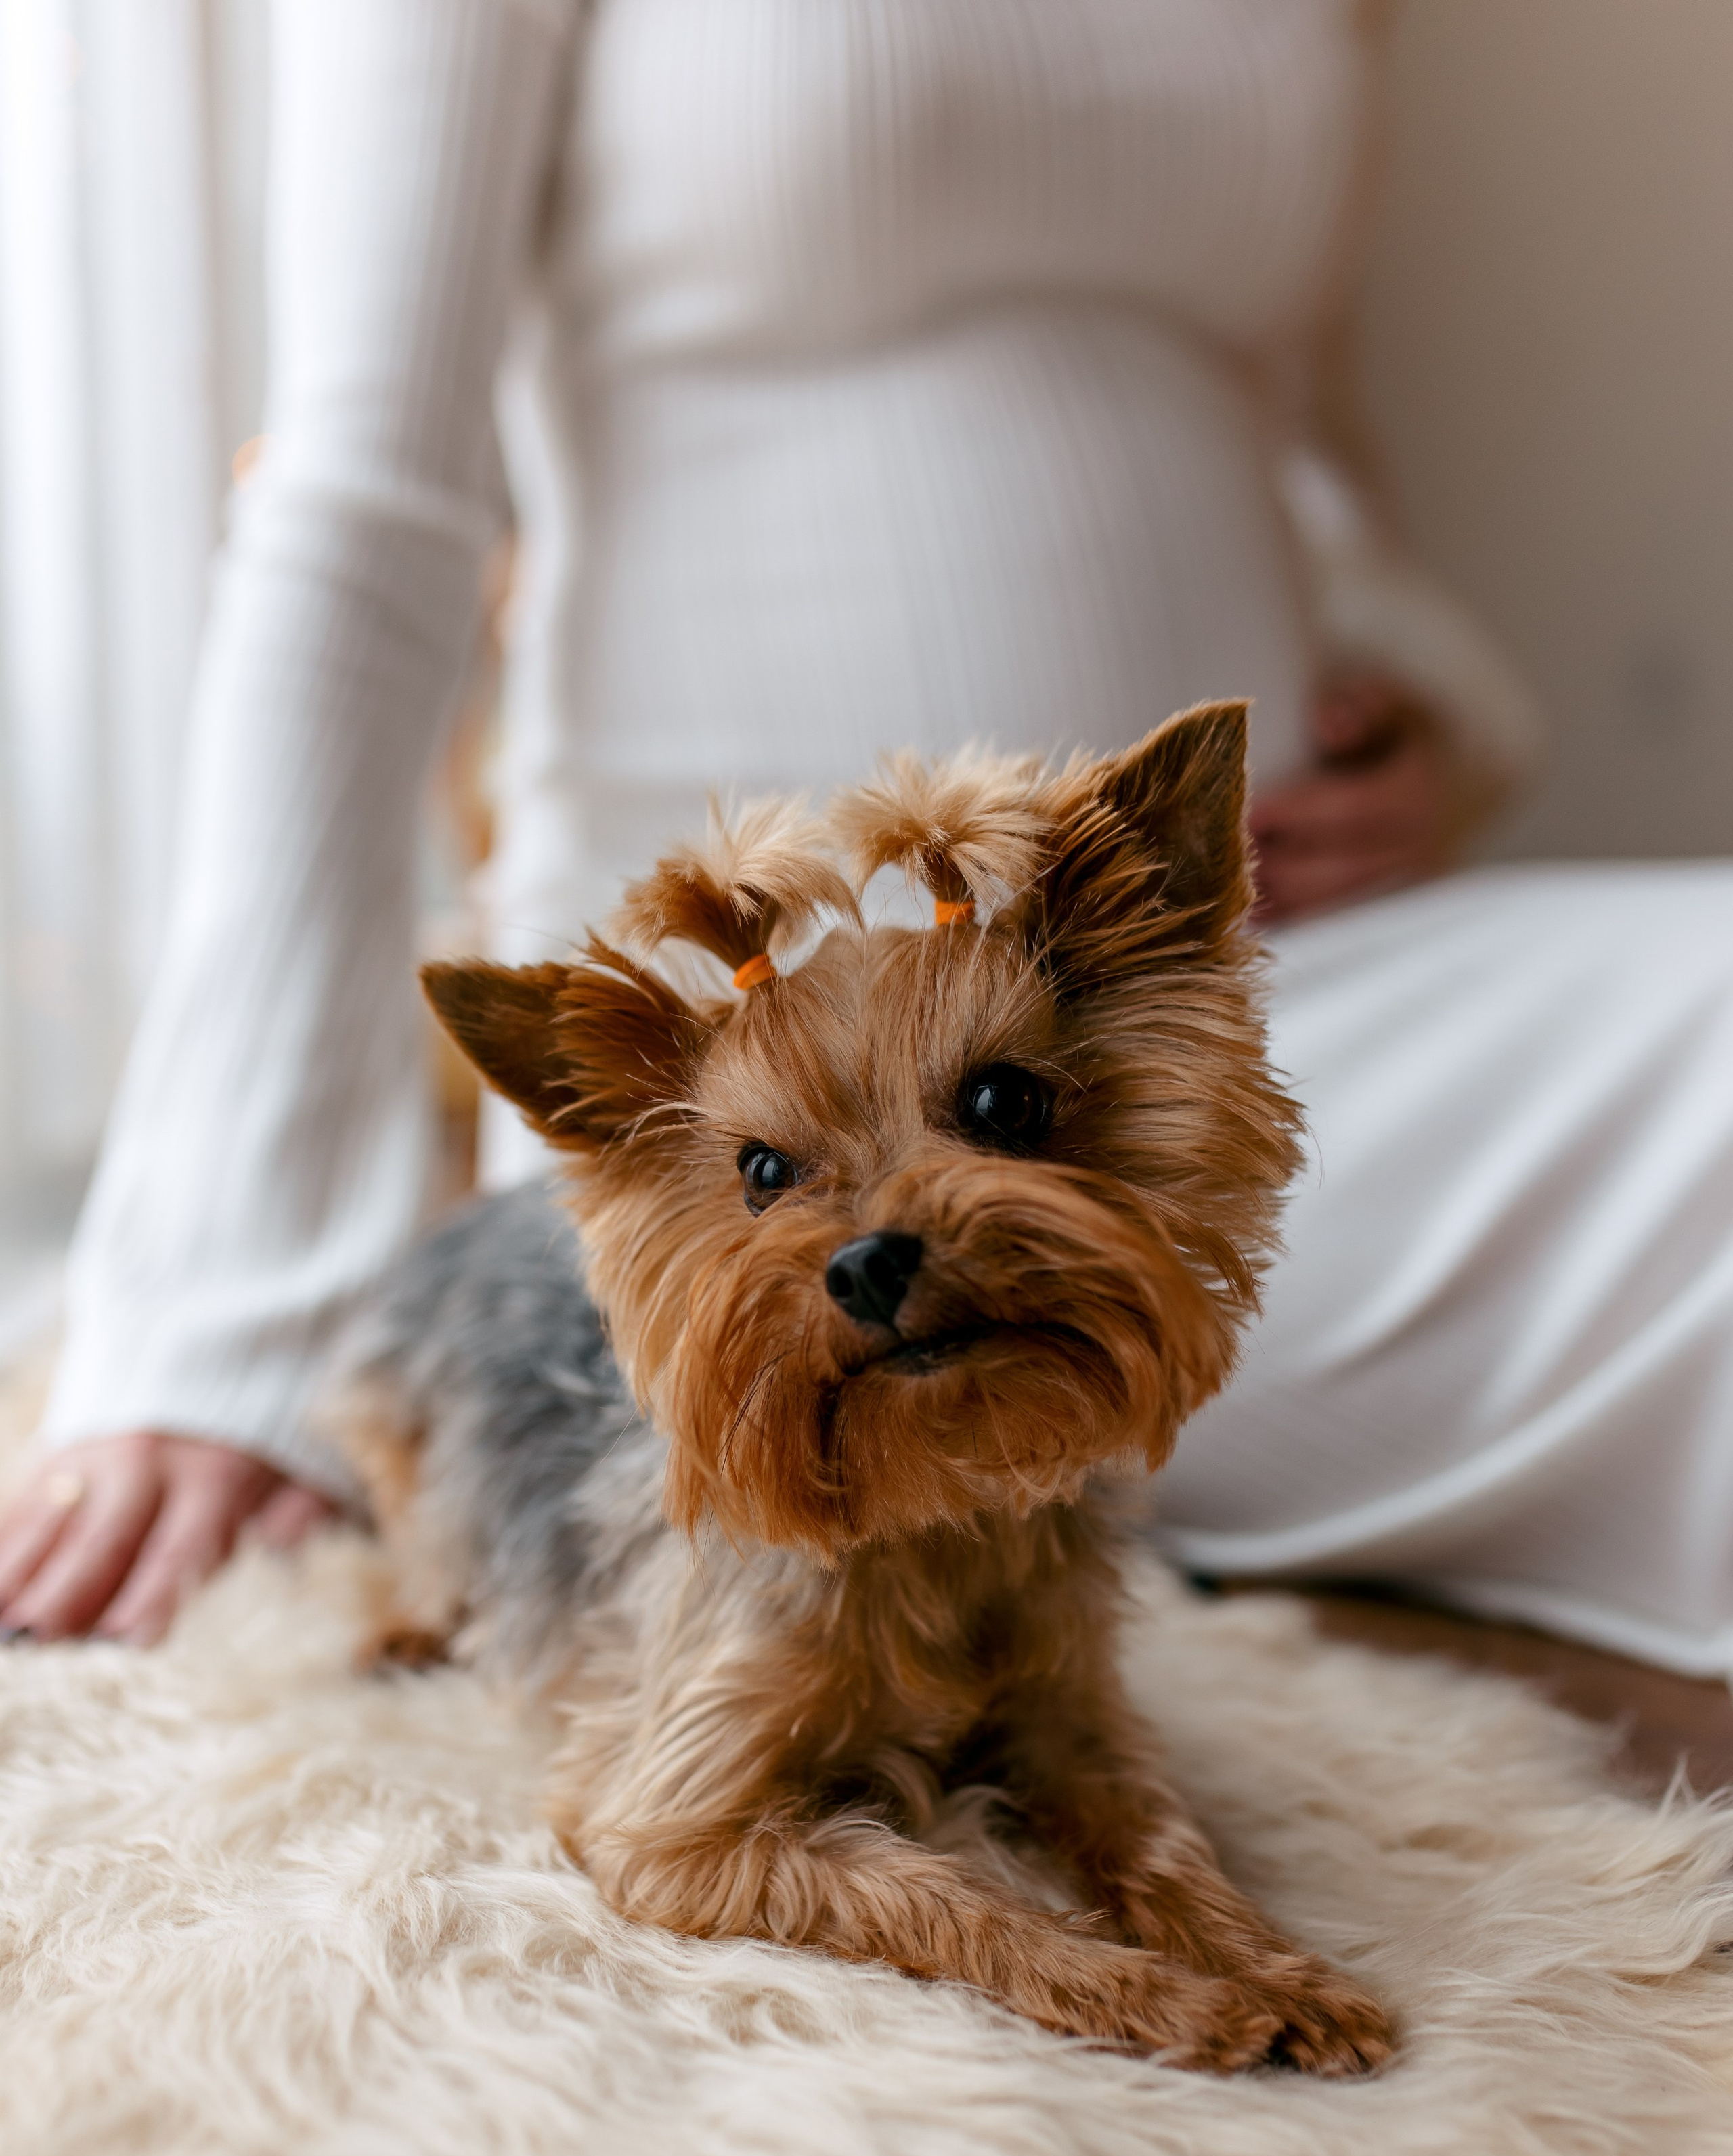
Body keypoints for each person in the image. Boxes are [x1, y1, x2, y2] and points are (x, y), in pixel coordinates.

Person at [4, 0, 1729, 1686]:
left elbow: (1284, 440)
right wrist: (215, 1326)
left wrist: (1418, 706)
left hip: (1198, 1028)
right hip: (762, 1115)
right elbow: (361, 501)